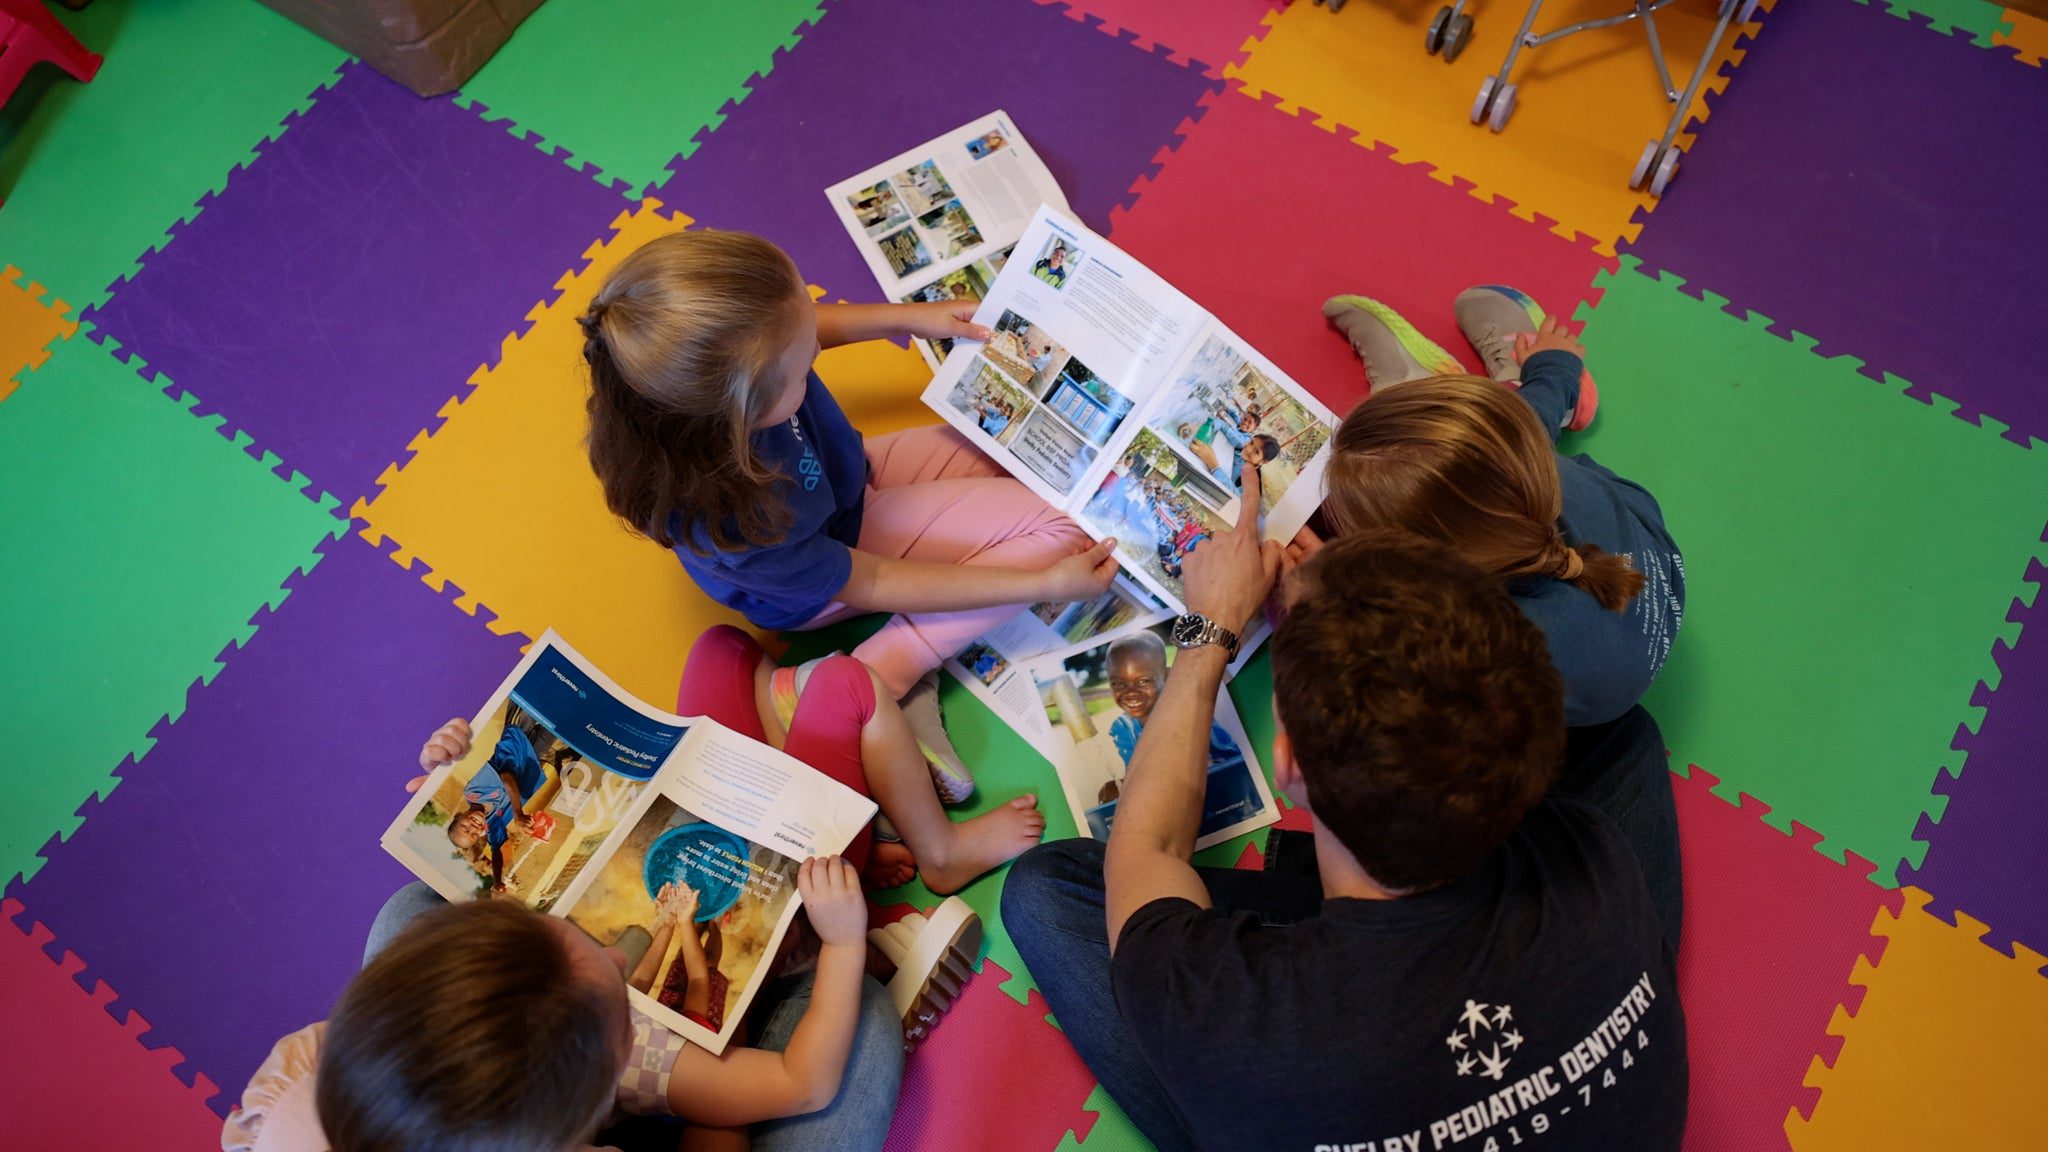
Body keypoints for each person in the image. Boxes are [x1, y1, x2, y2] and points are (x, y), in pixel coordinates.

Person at [1002, 466, 1689, 1152]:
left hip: (1310, 1074)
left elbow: (1149, 850)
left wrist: (1208, 631)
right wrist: (1353, 596)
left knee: (1044, 891)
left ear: (1289, 765)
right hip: (1577, 1033)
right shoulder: (1591, 856)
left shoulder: (1242, 1019)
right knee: (1625, 739)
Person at [580, 230, 1118, 806]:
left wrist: (909, 318)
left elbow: (797, 327)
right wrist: (1046, 585)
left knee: (1010, 446)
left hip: (851, 483)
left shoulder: (715, 385)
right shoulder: (740, 519)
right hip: (835, 568)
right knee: (1066, 533)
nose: (814, 351)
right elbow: (879, 578)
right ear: (742, 415)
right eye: (803, 363)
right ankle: (882, 672)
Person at [224, 862, 901, 1152]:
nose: (615, 957)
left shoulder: (306, 1081)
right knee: (862, 1017)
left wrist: (467, 779)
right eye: (618, 1000)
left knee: (411, 906)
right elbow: (803, 1084)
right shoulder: (646, 1070)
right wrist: (841, 944)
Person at [1309, 286, 1684, 726]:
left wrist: (1320, 595)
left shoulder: (1471, 642)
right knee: (1504, 445)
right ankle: (1494, 391)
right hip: (1643, 550)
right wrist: (1554, 364)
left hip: (1589, 694)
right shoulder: (1527, 464)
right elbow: (1524, 424)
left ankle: (1420, 387)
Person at [1094, 631, 1241, 804]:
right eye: (1118, 684)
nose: (1130, 693)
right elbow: (1135, 773)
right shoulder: (1122, 727)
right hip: (1168, 783)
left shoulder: (1185, 710)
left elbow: (1198, 764)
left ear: (1167, 676)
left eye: (1143, 681)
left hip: (1223, 771)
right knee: (1109, 791)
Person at [445, 720, 550, 892]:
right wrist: (497, 880)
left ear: (458, 815)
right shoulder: (492, 824)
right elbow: (496, 851)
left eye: (465, 826)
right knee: (558, 721)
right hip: (533, 757)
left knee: (538, 700)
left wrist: (517, 813)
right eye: (473, 835)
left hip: (517, 734)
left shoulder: (473, 792)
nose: (473, 827)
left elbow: (507, 777)